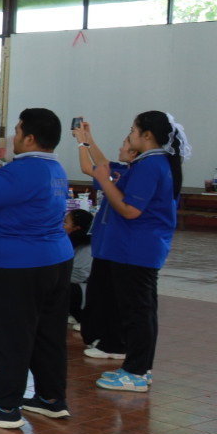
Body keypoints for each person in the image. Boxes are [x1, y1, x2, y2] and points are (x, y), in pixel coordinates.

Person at [0, 108, 75, 428]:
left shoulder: (23, 170)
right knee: (48, 334)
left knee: (10, 335)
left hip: (17, 264)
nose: (14, 136)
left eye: (18, 130)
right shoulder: (55, 168)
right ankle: (51, 398)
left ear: (30, 138)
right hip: (55, 259)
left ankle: (5, 406)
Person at [75, 112, 187, 392]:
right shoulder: (151, 162)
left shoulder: (151, 165)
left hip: (136, 249)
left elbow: (130, 210)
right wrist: (87, 141)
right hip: (134, 248)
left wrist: (105, 181)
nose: (129, 136)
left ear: (147, 135)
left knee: (138, 313)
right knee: (138, 311)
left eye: (133, 131)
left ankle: (136, 371)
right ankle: (138, 368)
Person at [66, 208, 94, 330]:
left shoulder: (86, 247)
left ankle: (82, 317)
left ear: (76, 228)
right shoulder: (70, 242)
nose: (61, 225)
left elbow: (79, 275)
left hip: (82, 289)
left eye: (65, 222)